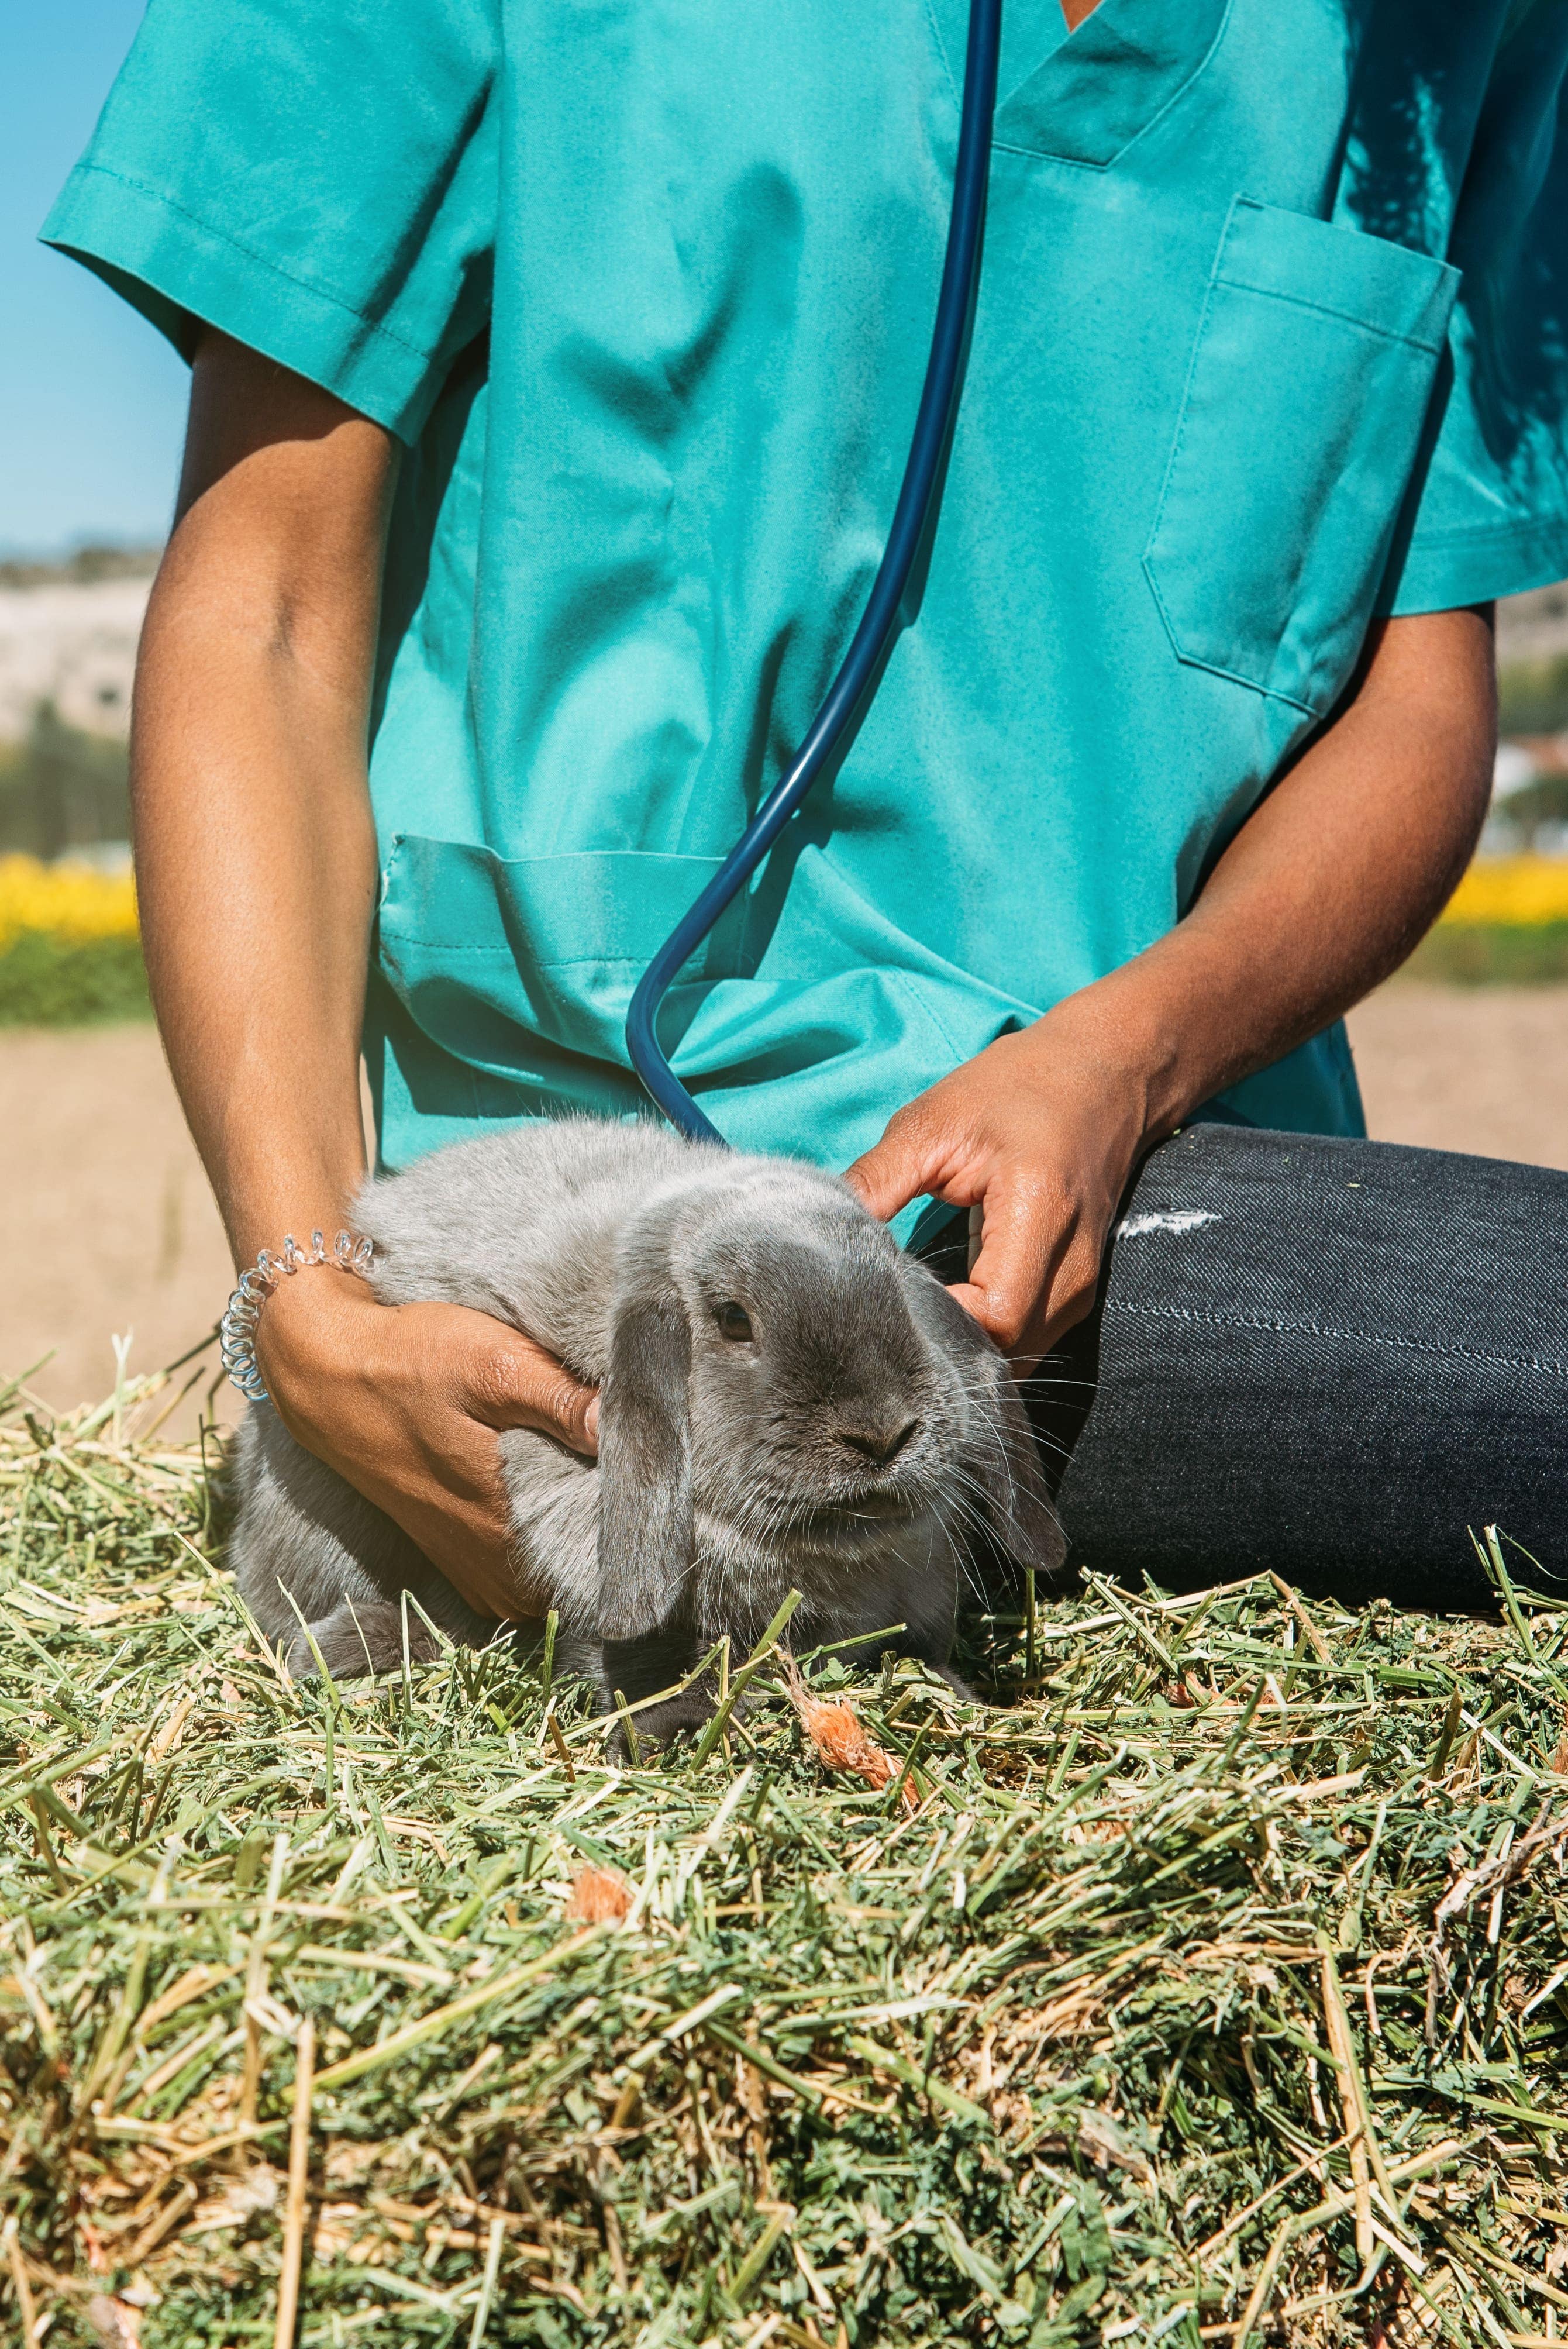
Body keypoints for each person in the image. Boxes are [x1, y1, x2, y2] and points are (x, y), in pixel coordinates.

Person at [44, 0, 1568, 1620]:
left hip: (1126, 1183)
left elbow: (1414, 708)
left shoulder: (1458, 30)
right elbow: (265, 608)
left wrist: (1124, 1057)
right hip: (614, 1239)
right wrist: (309, 1299)